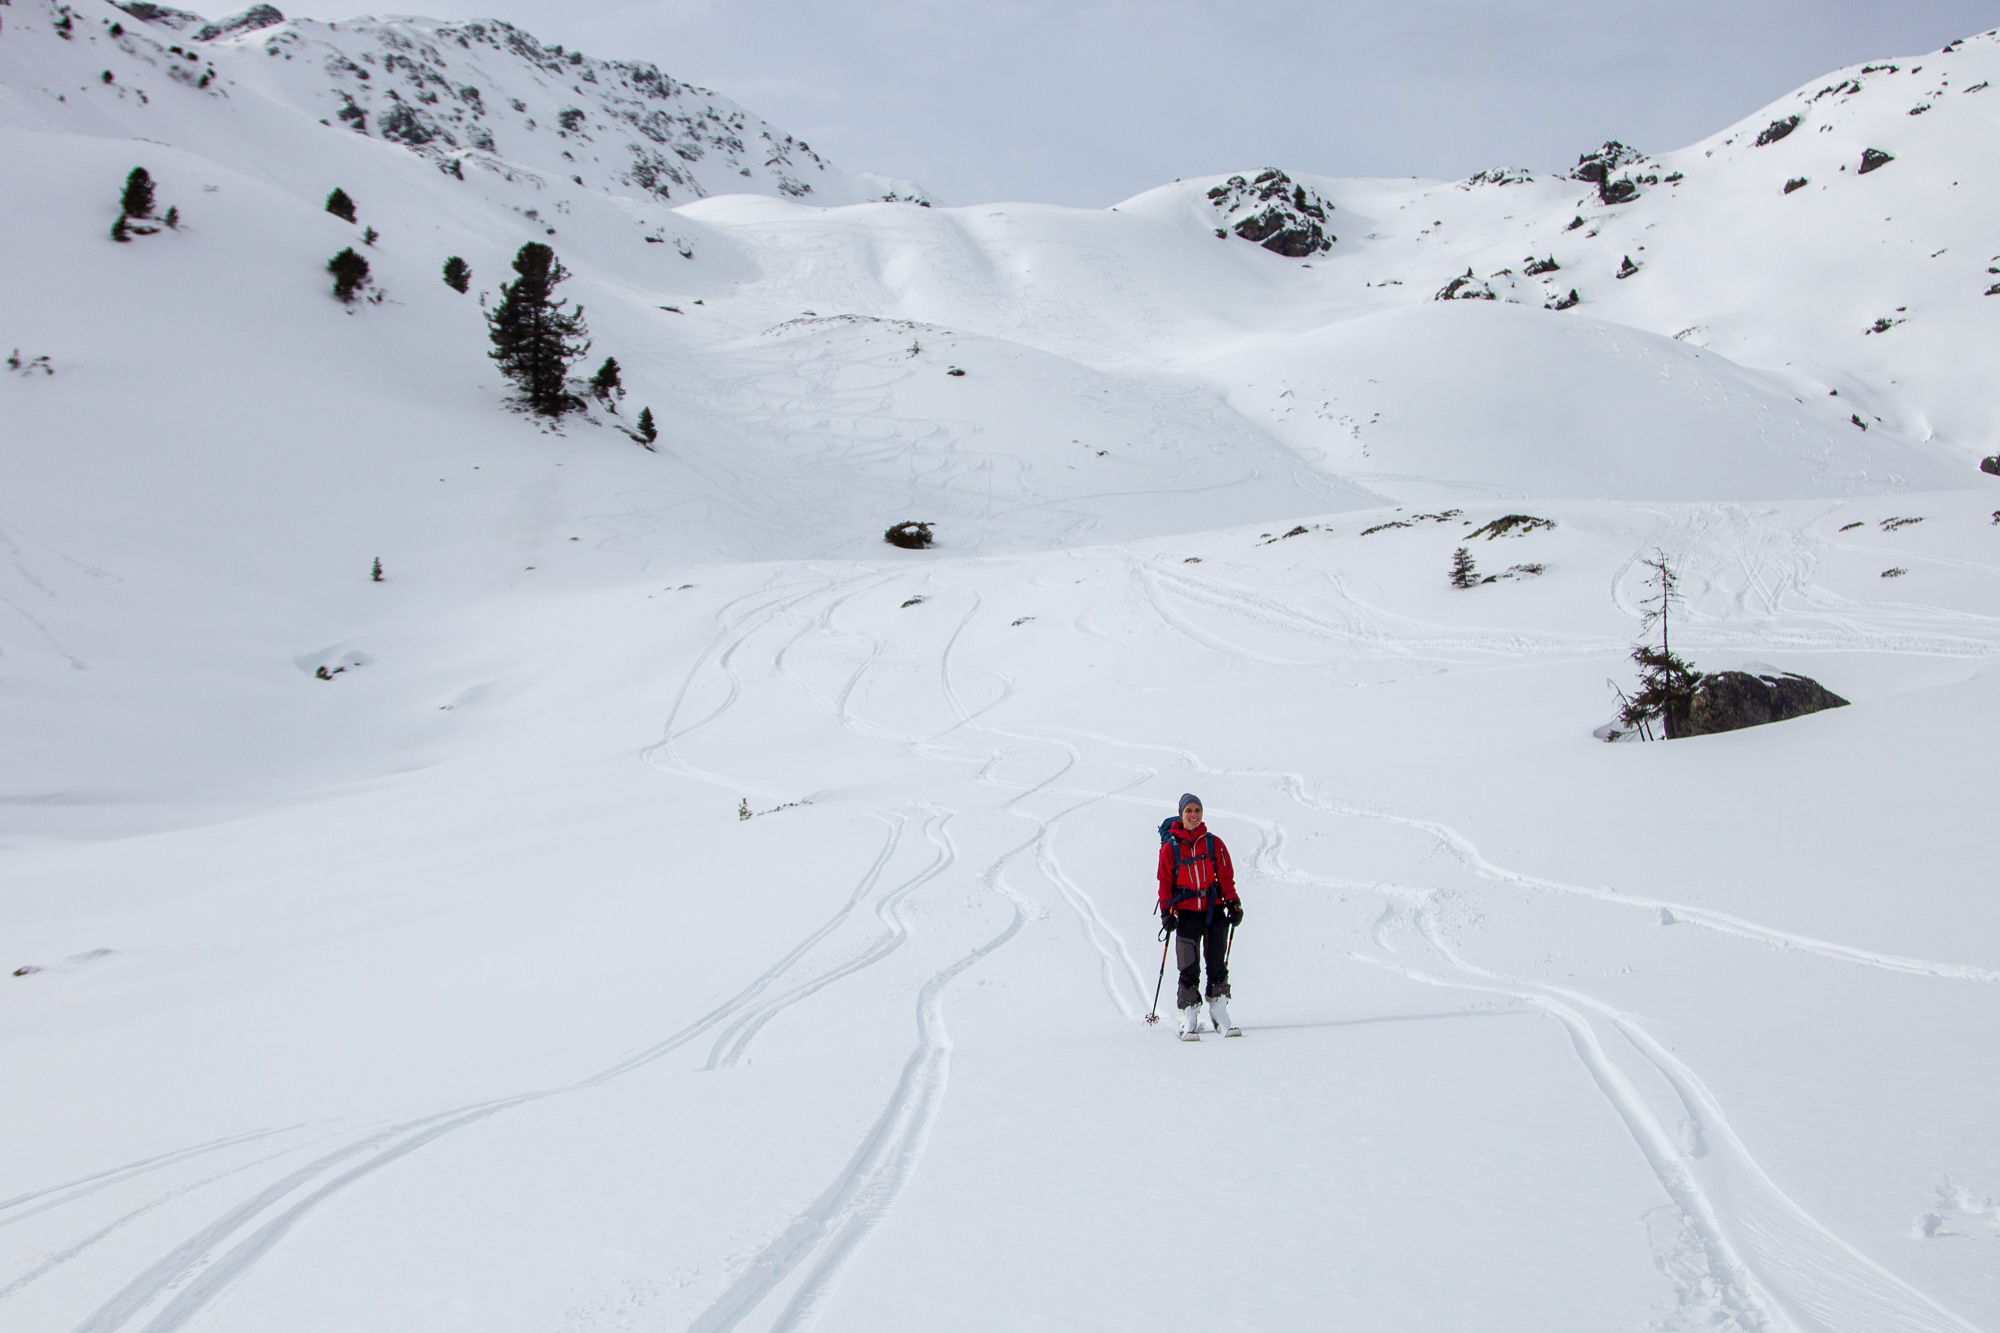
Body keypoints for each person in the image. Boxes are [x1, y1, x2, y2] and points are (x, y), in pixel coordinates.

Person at [1157, 794, 1243, 1039]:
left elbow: (1225, 876)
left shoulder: (1214, 843)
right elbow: (1164, 882)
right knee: (1188, 965)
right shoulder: (1170, 848)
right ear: (1182, 815)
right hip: (1185, 912)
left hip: (1213, 909)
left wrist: (1233, 902)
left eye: (1197, 810)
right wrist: (1166, 912)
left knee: (1217, 962)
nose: (1194, 815)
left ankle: (1219, 1011)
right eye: (1189, 811)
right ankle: (1189, 1014)